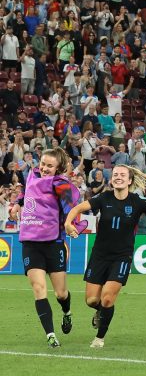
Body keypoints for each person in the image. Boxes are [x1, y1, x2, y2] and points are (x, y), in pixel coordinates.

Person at [64, 165, 146, 348]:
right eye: (115, 174)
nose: (118, 177)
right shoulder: (103, 198)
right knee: (92, 300)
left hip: (122, 257)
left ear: (129, 181)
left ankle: (99, 338)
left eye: (122, 175)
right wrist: (68, 223)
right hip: (100, 255)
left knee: (108, 297)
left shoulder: (138, 201)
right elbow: (77, 208)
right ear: (111, 180)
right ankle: (100, 311)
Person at [11, 148, 81, 348]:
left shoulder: (60, 185)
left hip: (53, 243)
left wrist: (70, 223)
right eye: (42, 163)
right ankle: (50, 334)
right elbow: (25, 193)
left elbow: (71, 207)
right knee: (39, 288)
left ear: (58, 168)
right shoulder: (32, 175)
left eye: (49, 166)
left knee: (61, 294)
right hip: (30, 243)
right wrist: (17, 204)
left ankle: (66, 312)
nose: (44, 168)